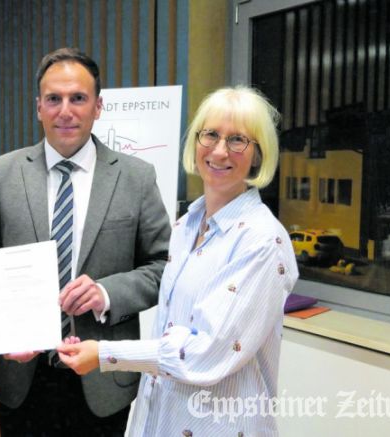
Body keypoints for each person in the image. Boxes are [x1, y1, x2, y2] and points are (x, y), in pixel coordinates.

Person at [57, 86, 299, 436]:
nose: (219, 151)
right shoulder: (186, 226)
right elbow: (170, 329)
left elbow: (205, 352)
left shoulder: (262, 241)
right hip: (164, 417)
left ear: (258, 155)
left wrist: (104, 353)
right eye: (211, 135)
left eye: (237, 140)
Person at [0, 47, 171, 435]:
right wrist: (6, 324)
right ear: (38, 107)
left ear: (97, 106)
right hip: (20, 373)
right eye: (54, 99)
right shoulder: (4, 172)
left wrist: (107, 293)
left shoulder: (135, 178)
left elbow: (164, 266)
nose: (66, 110)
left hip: (103, 377)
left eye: (78, 98)